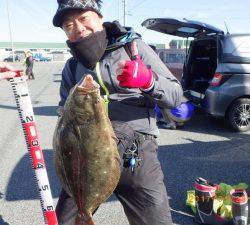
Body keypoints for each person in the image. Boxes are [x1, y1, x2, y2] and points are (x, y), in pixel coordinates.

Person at [52, 0, 183, 224]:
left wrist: (148, 81)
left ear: (99, 18)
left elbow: (175, 96)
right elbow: (65, 114)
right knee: (64, 221)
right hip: (87, 161)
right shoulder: (72, 66)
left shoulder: (134, 48)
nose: (79, 28)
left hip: (137, 156)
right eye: (69, 24)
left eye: (83, 18)